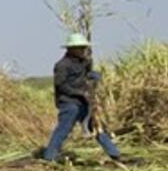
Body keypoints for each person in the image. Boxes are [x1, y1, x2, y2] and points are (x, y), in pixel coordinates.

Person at [41, 32, 121, 162]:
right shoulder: (62, 65)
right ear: (72, 49)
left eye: (84, 47)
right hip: (69, 103)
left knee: (96, 127)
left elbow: (85, 76)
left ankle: (115, 154)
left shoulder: (84, 62)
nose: (84, 50)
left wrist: (93, 75)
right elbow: (61, 86)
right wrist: (79, 92)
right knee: (63, 130)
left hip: (83, 102)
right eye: (81, 48)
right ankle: (49, 156)